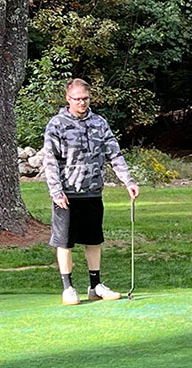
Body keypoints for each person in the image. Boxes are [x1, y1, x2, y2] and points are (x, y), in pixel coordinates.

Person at [42, 78, 139, 305]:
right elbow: (50, 162)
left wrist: (128, 181)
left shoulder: (99, 123)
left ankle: (95, 285)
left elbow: (114, 154)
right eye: (77, 99)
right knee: (64, 242)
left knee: (94, 240)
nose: (82, 103)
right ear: (68, 99)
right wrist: (56, 192)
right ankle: (68, 287)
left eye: (85, 99)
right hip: (67, 194)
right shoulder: (56, 125)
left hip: (93, 191)